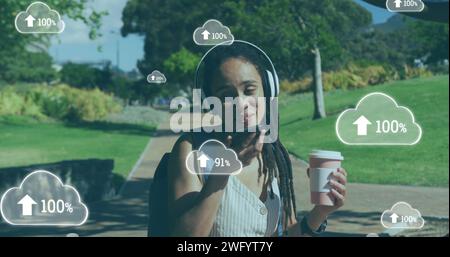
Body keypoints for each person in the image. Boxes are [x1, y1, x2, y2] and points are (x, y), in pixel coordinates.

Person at [167, 41, 347, 236]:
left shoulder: (274, 152)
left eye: (250, 90)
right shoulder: (192, 149)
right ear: (210, 101)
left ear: (267, 90)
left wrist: (320, 212)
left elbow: (288, 232)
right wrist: (222, 174)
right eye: (226, 95)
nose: (241, 103)